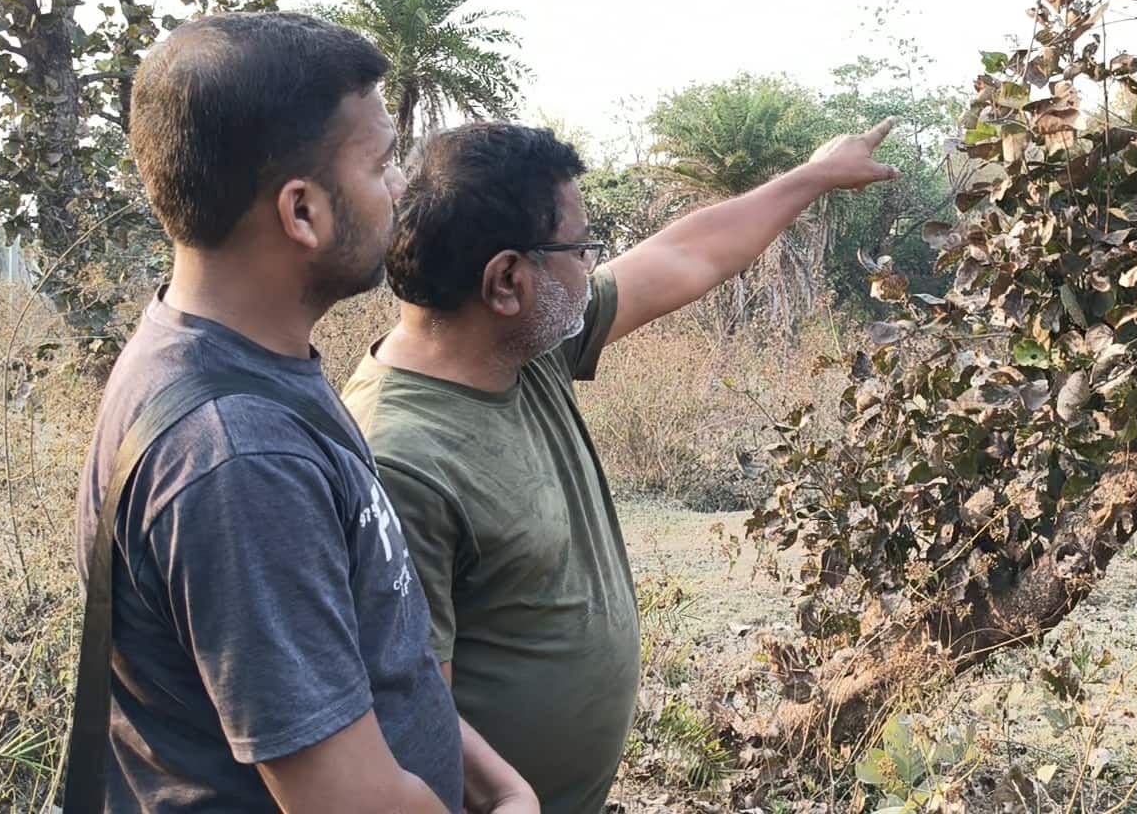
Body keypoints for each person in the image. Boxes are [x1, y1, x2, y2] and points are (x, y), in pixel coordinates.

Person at [340, 118, 900, 811]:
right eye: (580, 248)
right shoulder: (400, 459)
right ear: (507, 279)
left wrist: (814, 175)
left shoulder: (525, 345)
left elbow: (687, 256)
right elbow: (412, 709)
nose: (594, 265)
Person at [74, 13, 535, 812]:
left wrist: (489, 779)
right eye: (384, 164)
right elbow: (346, 801)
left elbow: (364, 655)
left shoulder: (240, 361)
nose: (400, 190)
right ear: (302, 213)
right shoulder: (238, 454)